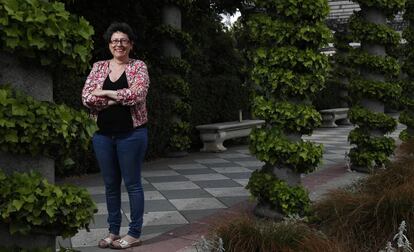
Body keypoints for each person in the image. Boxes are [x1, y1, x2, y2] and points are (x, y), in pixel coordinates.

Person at [82, 22, 149, 249]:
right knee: (111, 185)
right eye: (114, 41)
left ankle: (134, 233)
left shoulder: (138, 66)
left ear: (130, 44)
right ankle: (113, 231)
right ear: (109, 44)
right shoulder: (99, 67)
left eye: (123, 40)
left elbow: (137, 94)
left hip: (132, 134)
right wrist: (115, 98)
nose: (118, 44)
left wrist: (105, 93)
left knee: (132, 184)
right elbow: (87, 98)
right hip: (102, 135)